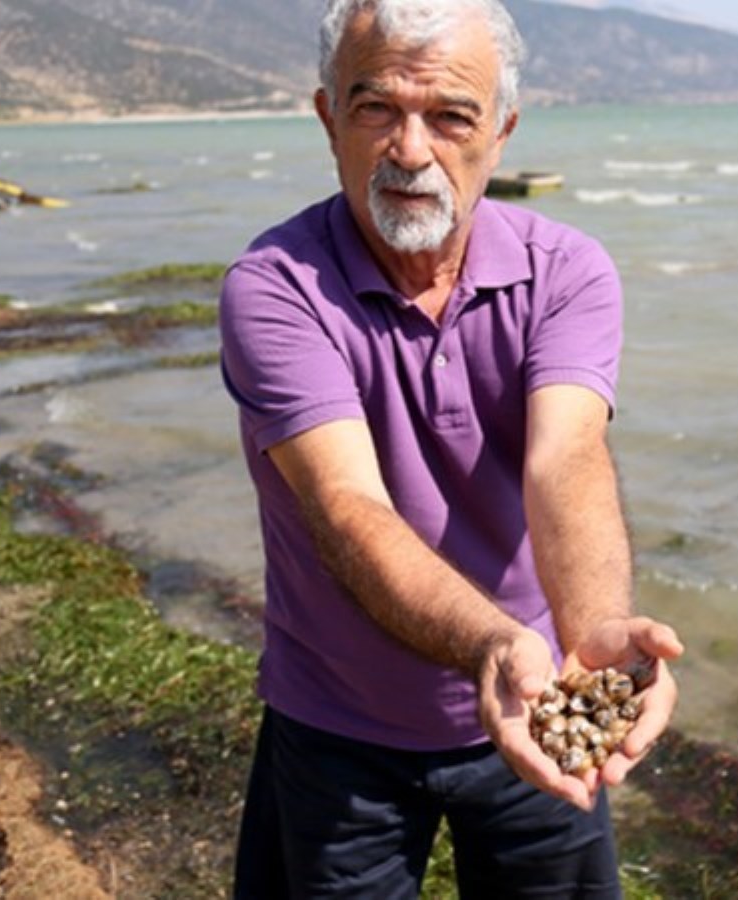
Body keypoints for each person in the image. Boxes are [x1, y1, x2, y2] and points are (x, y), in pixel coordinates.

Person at [217, 0, 684, 896]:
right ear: (327, 120)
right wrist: (492, 645)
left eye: (451, 116)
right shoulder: (274, 289)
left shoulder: (567, 271)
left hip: (544, 704)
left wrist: (592, 639)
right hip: (337, 729)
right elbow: (348, 507)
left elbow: (566, 459)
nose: (411, 150)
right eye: (376, 109)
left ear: (501, 132)